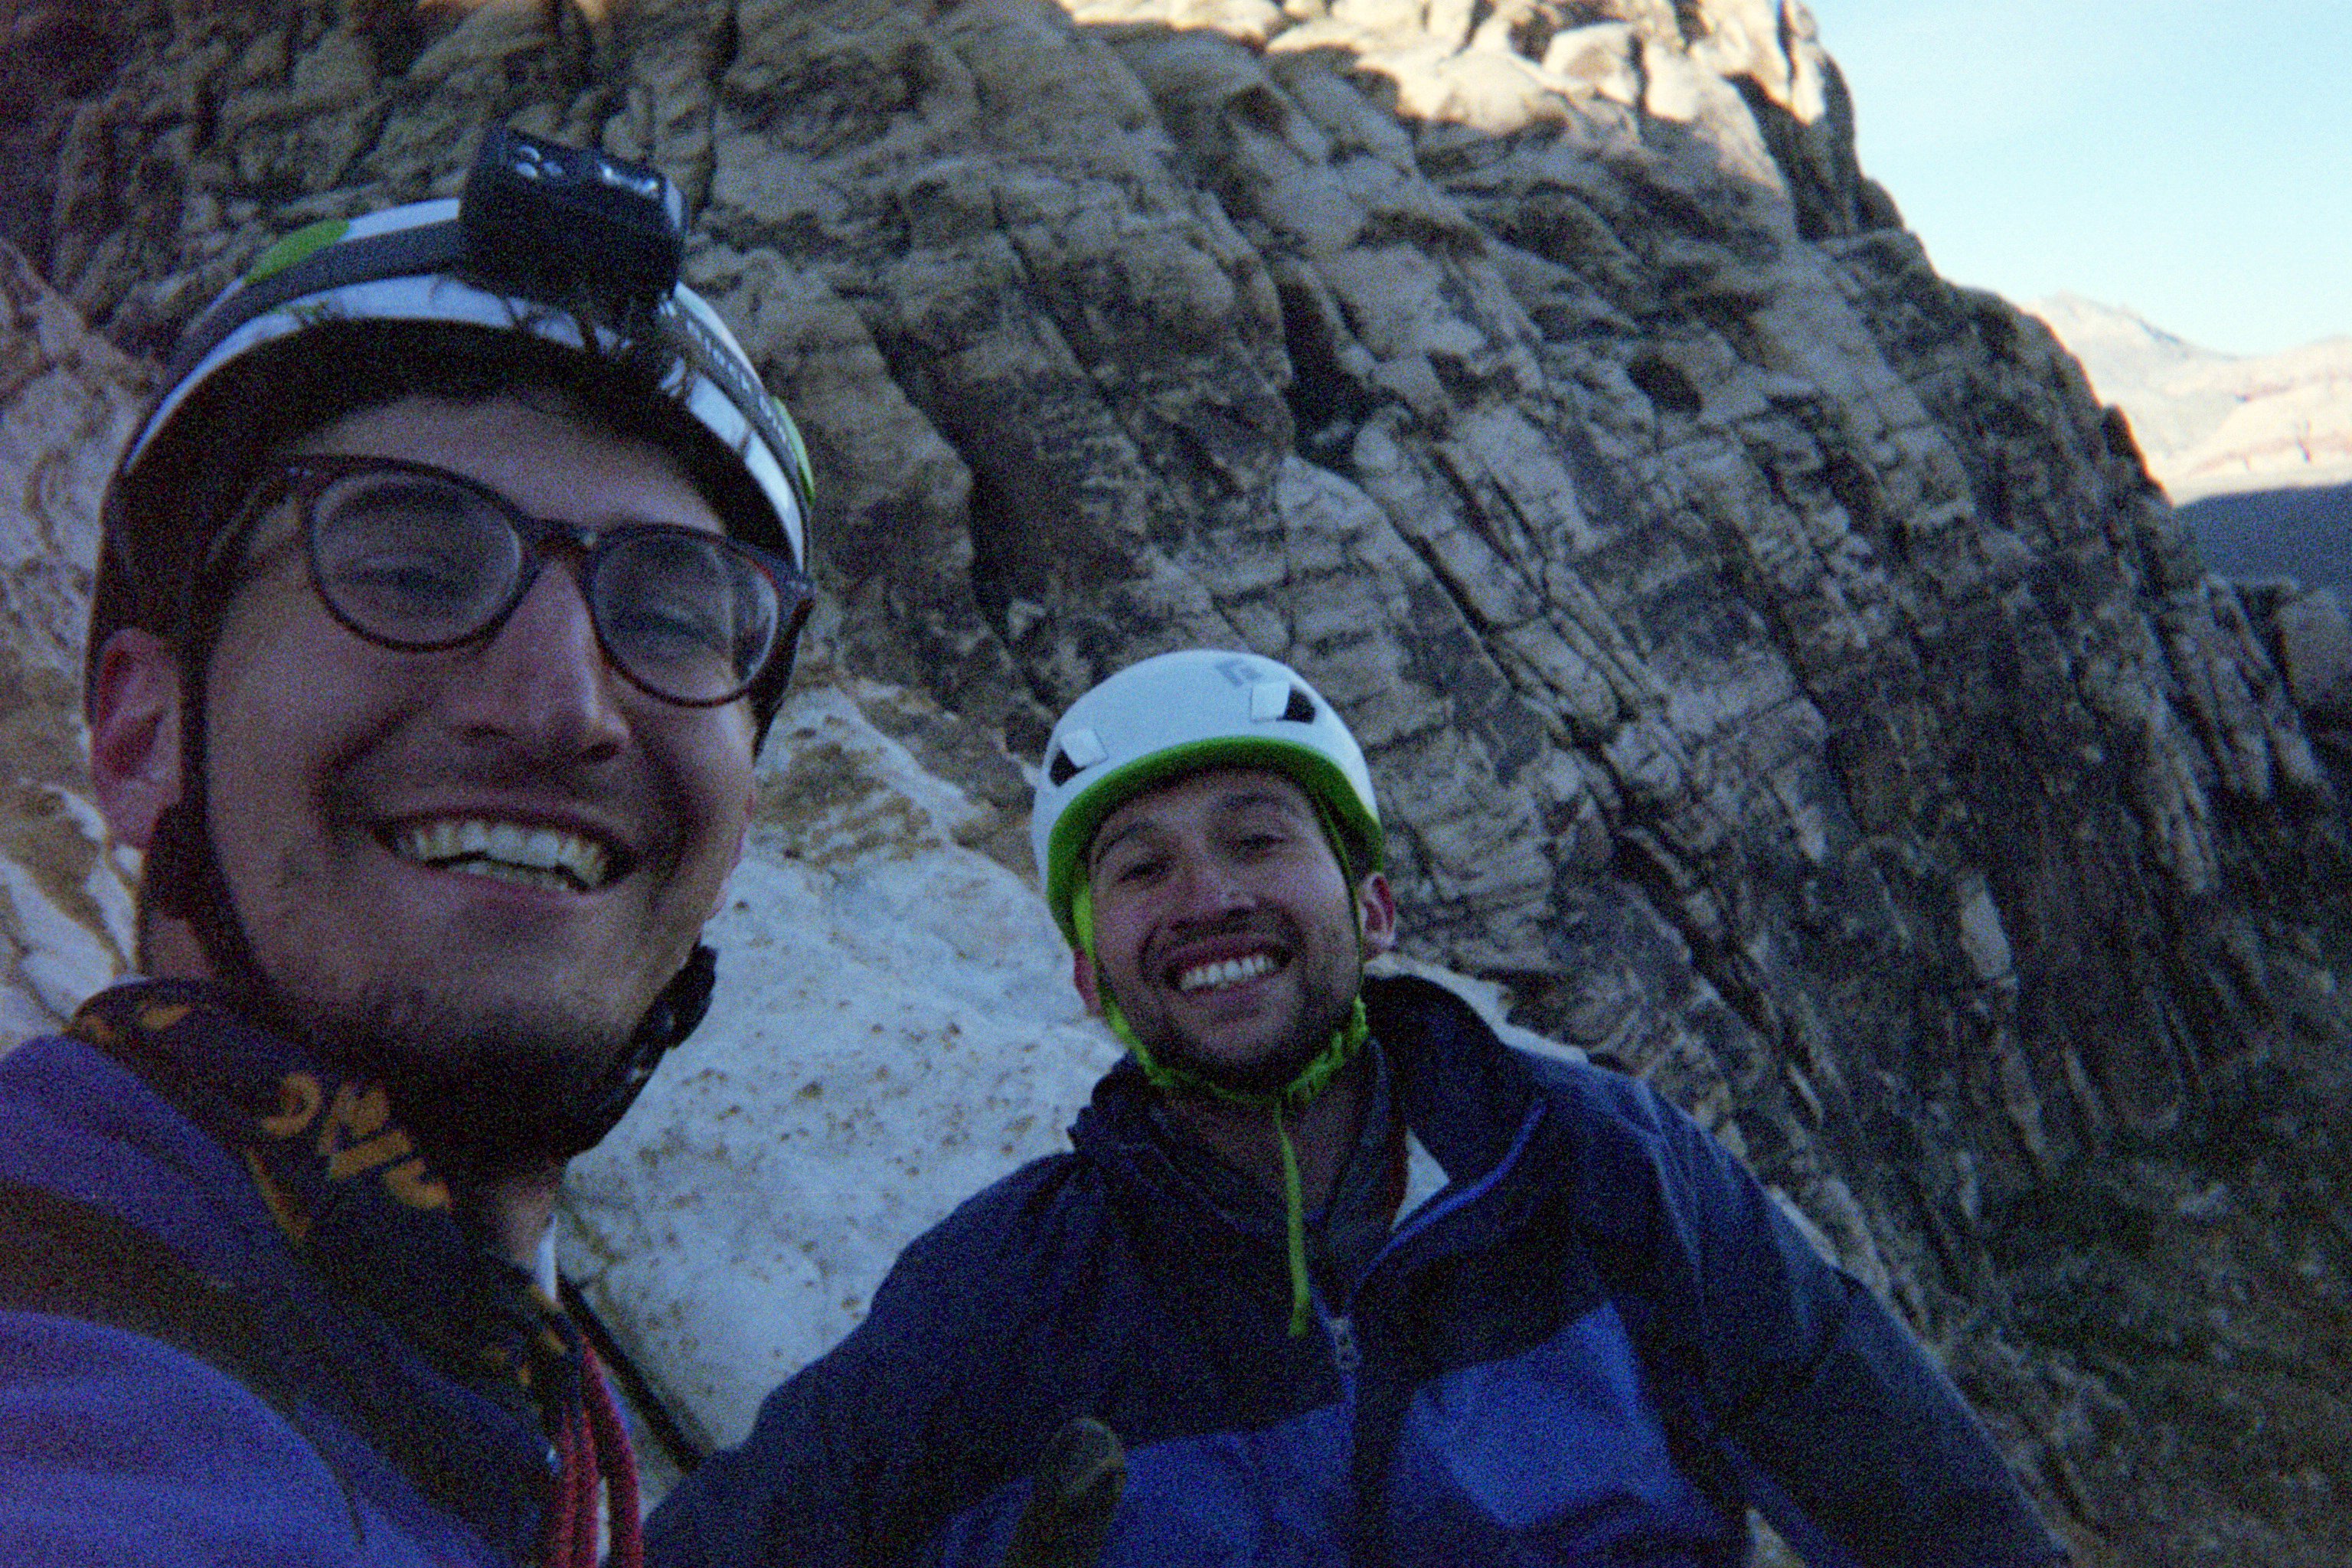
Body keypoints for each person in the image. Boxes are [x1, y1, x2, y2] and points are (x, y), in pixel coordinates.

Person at [647, 648, 2073, 1566]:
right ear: (1089, 976)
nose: (1209, 896)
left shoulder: (1602, 1172)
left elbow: (1941, 1518)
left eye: (1259, 839)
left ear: (1374, 909)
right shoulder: (1002, 1300)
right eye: (1140, 869)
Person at [0, 126, 818, 1568]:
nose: (563, 706)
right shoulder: (65, 1349)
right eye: (409, 567)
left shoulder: (471, 1390)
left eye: (672, 613)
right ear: (142, 738)